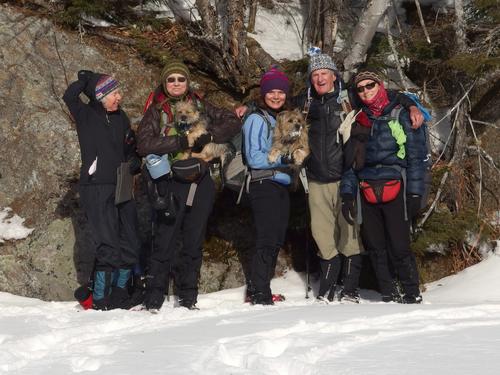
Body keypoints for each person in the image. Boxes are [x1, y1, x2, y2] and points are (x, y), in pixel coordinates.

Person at [236, 52, 424, 303]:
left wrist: (411, 104)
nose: (320, 78)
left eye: (324, 73)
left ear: (334, 75)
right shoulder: (305, 101)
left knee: (350, 235)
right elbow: (275, 99)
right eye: (315, 75)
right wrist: (248, 107)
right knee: (322, 235)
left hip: (346, 176)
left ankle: (350, 288)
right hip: (315, 179)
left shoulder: (350, 98)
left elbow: (383, 96)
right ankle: (327, 286)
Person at [136, 60, 241, 311]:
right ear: (165, 83)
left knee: (194, 240)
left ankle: (188, 296)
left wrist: (210, 136)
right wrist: (181, 142)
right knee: (164, 239)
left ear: (187, 82)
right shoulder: (157, 111)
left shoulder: (202, 104)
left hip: (200, 180)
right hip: (170, 182)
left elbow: (232, 121)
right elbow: (144, 144)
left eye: (180, 79)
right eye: (171, 80)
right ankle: (154, 297)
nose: (176, 84)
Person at [340, 71, 428, 303]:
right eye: (360, 88)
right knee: (375, 245)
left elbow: (416, 158)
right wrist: (348, 193)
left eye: (370, 85)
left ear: (380, 85)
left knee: (399, 244)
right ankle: (388, 291)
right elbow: (350, 162)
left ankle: (411, 291)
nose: (366, 91)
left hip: (396, 184)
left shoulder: (401, 113)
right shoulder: (358, 119)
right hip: (365, 187)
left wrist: (416, 192)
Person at [63, 71, 142, 310]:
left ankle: (120, 295)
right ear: (101, 97)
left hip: (122, 182)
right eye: (114, 93)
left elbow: (130, 147)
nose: (119, 97)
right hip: (96, 186)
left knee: (131, 241)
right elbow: (69, 96)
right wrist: (89, 80)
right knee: (108, 244)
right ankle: (100, 298)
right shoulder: (86, 115)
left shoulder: (121, 117)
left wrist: (134, 160)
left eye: (118, 92)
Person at [242, 67, 294, 305]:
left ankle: (260, 287)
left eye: (280, 92)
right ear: (263, 94)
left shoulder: (278, 119)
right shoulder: (256, 119)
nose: (276, 96)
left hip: (280, 185)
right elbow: (253, 157)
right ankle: (258, 292)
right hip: (264, 184)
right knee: (266, 239)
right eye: (271, 91)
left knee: (275, 239)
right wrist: (285, 159)